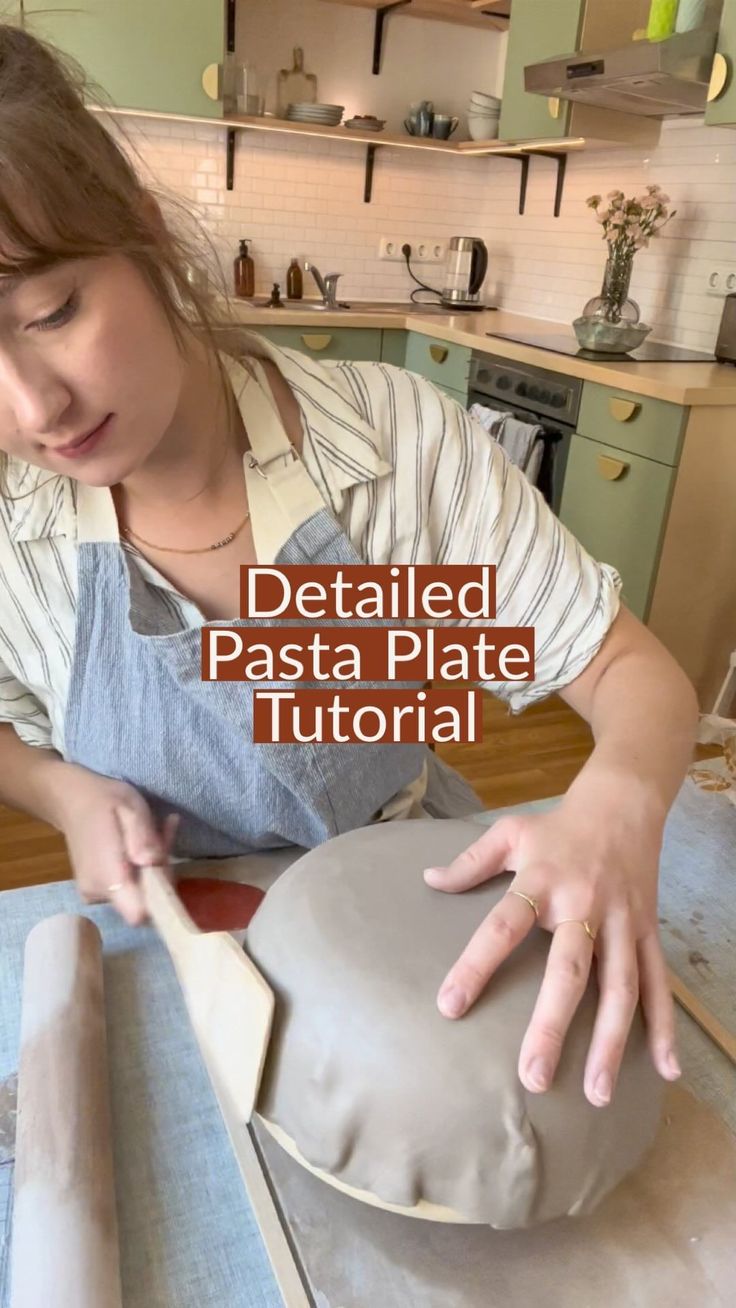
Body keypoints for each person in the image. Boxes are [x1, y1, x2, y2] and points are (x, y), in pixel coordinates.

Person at [0, 24, 698, 1111]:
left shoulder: (382, 455)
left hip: (413, 914)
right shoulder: (15, 524)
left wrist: (616, 799)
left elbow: (627, 673)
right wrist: (63, 790)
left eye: (53, 313)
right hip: (176, 945)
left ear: (137, 232)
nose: (36, 410)